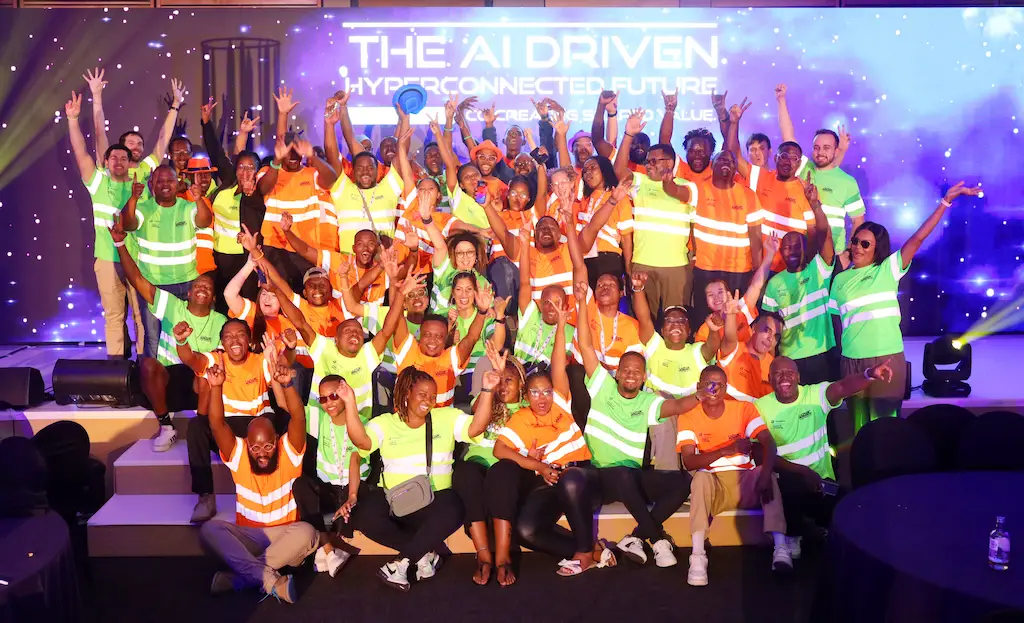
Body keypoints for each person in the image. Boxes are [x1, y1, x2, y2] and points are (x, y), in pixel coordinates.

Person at [828, 181, 980, 427]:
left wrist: (945, 202)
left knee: (885, 430)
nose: (857, 247)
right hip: (851, 362)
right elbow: (836, 322)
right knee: (857, 430)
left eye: (865, 244)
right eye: (855, 241)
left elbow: (918, 237)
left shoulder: (887, 269)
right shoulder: (840, 279)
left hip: (885, 359)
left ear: (877, 249)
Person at [574, 279, 696, 569]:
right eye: (625, 370)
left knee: (682, 483)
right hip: (601, 478)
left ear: (644, 378)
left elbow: (678, 405)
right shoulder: (601, 384)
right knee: (622, 474)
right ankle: (659, 540)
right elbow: (585, 343)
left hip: (631, 478)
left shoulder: (647, 402)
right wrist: (581, 303)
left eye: (636, 372)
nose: (630, 374)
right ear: (617, 374)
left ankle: (637, 536)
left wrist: (702, 394)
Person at [489, 306, 615, 580]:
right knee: (526, 530)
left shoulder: (561, 402)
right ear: (527, 396)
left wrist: (560, 324)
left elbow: (559, 361)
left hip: (582, 478)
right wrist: (538, 466)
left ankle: (583, 556)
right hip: (551, 481)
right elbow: (500, 450)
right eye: (535, 393)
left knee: (569, 479)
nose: (543, 397)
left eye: (546, 391)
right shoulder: (522, 417)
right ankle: (590, 549)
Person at [343, 366, 495, 592]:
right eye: (422, 395)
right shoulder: (385, 423)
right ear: (406, 394)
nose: (429, 401)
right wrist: (349, 404)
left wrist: (488, 390)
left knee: (453, 505)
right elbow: (362, 442)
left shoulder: (446, 417)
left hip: (433, 504)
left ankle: (401, 563)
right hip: (398, 503)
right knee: (364, 515)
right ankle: (423, 553)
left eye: (433, 396)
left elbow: (475, 428)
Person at [199, 353, 318, 604]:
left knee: (307, 532)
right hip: (249, 536)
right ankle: (269, 579)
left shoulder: (289, 451)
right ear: (247, 443)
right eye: (256, 447)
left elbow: (298, 418)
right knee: (210, 529)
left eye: (268, 446)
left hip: (284, 535)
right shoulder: (238, 452)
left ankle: (238, 579)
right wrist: (216, 387)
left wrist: (287, 386)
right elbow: (217, 423)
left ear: (277, 440)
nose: (262, 453)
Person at [756, 356, 893, 557]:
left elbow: (842, 387)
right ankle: (793, 535)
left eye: (790, 373)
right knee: (790, 486)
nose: (785, 377)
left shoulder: (815, 394)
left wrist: (868, 375)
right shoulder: (760, 407)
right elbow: (760, 452)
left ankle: (826, 529)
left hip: (821, 481)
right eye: (778, 373)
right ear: (769, 378)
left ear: (798, 377)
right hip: (786, 483)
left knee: (848, 505)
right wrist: (803, 472)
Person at [109, 222, 227, 453]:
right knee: (147, 364)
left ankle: (202, 427)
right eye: (198, 285)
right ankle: (166, 426)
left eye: (208, 288)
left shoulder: (220, 321)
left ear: (213, 298)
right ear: (190, 292)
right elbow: (138, 280)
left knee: (207, 375)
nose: (203, 288)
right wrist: (120, 243)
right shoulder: (173, 305)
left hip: (198, 384)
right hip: (169, 379)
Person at [676, 365, 789, 586]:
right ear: (699, 386)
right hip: (714, 485)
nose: (713, 389)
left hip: (745, 481)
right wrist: (726, 450)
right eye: (708, 384)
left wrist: (765, 474)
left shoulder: (743, 409)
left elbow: (769, 443)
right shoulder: (688, 416)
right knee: (699, 479)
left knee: (768, 474)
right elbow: (688, 461)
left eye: (718, 384)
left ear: (726, 387)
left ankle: (781, 548)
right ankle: (697, 556)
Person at [64, 90, 144, 359]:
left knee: (142, 317)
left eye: (124, 157)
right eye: (114, 158)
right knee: (114, 316)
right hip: (108, 260)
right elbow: (80, 151)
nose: (119, 161)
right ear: (107, 162)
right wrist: (73, 120)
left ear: (129, 161)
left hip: (138, 260)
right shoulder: (98, 182)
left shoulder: (140, 186)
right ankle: (118, 371)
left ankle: (145, 370)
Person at [175, 320, 275, 523]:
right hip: (224, 427)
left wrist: (286, 352)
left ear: (249, 340)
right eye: (228, 336)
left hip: (255, 427)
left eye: (240, 335)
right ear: (222, 342)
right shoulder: (215, 359)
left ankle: (271, 493)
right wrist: (182, 340)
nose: (234, 340)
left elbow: (283, 368)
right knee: (196, 426)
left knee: (275, 422)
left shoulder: (261, 360)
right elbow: (191, 359)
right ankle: (205, 497)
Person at [452, 344, 528, 585]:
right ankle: (484, 557)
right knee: (465, 473)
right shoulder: (485, 401)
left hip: (508, 471)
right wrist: (490, 385)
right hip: (477, 465)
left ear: (521, 385)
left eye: (509, 380)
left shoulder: (527, 409)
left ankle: (503, 559)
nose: (503, 386)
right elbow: (477, 414)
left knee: (501, 471)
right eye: (500, 380)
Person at [120, 164, 213, 359]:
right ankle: (152, 386)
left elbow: (204, 221)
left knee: (189, 336)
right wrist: (133, 199)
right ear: (151, 183)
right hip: (154, 287)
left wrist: (198, 199)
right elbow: (128, 225)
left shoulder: (187, 207)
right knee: (153, 339)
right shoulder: (143, 209)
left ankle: (187, 381)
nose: (164, 185)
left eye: (170, 180)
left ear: (178, 183)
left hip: (187, 284)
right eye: (159, 181)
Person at [614, 109, 696, 326]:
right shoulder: (641, 181)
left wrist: (667, 183)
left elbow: (675, 193)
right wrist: (628, 135)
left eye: (653, 161)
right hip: (642, 265)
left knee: (676, 321)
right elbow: (619, 170)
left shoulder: (687, 186)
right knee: (643, 321)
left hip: (676, 267)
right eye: (648, 161)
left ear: (669, 163)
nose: (647, 164)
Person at [663, 150, 763, 323]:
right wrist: (667, 181)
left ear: (735, 168)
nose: (726, 162)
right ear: (712, 165)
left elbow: (756, 239)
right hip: (706, 267)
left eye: (731, 161)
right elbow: (674, 191)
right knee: (706, 318)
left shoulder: (749, 195)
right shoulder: (698, 189)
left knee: (736, 317)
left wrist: (757, 272)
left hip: (739, 269)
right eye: (721, 159)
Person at [258, 87, 338, 293]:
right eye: (288, 151)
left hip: (306, 249)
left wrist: (312, 156)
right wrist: (282, 114)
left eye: (297, 151)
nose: (292, 155)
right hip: (275, 248)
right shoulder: (269, 172)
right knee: (276, 298)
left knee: (307, 299)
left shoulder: (311, 173)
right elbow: (263, 188)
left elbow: (331, 178)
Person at [762, 174, 838, 384]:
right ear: (781, 253)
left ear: (806, 248)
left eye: (797, 246)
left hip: (822, 353)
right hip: (791, 358)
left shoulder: (819, 269)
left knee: (824, 412)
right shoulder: (774, 284)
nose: (792, 251)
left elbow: (825, 235)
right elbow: (768, 327)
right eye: (787, 247)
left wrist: (815, 205)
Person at [776, 84, 862, 255]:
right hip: (800, 253)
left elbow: (858, 222)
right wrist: (781, 100)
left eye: (826, 148)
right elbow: (788, 137)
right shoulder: (802, 167)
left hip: (832, 256)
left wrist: (847, 254)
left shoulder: (848, 182)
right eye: (817, 147)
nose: (820, 152)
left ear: (835, 150)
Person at [726, 99, 811, 273]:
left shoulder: (806, 189)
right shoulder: (759, 176)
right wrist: (734, 123)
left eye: (794, 158)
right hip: (761, 266)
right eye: (784, 156)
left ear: (799, 163)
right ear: (776, 158)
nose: (788, 161)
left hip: (792, 270)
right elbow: (734, 153)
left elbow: (814, 233)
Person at [200, 99, 266, 305]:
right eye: (241, 167)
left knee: (244, 304)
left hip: (245, 259)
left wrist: (250, 196)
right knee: (220, 304)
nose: (245, 172)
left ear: (257, 170)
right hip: (218, 256)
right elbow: (216, 152)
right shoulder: (229, 180)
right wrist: (206, 122)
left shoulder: (260, 194)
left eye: (250, 168)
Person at [328, 95, 411, 250]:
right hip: (349, 267)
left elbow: (402, 151)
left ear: (376, 168)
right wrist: (335, 117)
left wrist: (405, 119)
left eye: (370, 168)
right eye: (360, 168)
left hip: (384, 264)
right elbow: (338, 149)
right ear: (353, 169)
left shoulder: (388, 187)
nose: (365, 171)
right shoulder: (343, 189)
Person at [392, 282, 493, 408]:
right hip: (407, 424)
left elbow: (471, 338)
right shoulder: (408, 350)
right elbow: (397, 317)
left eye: (439, 336)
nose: (432, 341)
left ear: (445, 338)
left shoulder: (451, 358)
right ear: (419, 336)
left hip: (442, 424)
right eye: (427, 335)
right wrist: (398, 290)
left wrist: (482, 311)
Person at [575, 156, 634, 284]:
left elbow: (626, 237)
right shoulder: (584, 200)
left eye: (593, 168)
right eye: (585, 171)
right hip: (583, 260)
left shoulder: (619, 196)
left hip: (608, 258)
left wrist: (629, 269)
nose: (588, 173)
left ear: (604, 170)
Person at [719, 291, 783, 402]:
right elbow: (730, 336)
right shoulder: (733, 350)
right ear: (753, 328)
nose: (770, 338)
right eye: (767, 330)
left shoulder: (774, 368)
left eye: (776, 336)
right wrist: (730, 315)